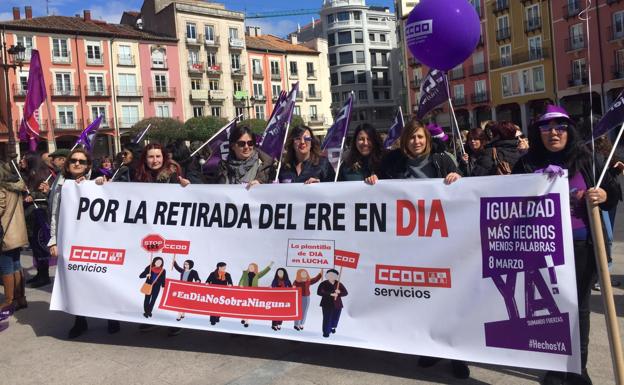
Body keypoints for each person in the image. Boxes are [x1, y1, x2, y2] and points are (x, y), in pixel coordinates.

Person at [513, 105, 619, 385]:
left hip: (582, 246)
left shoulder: (589, 159)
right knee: (549, 311)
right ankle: (554, 367)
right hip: (541, 249)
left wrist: (603, 193)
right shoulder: (525, 164)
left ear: (569, 130)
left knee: (578, 307)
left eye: (559, 127)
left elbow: (614, 194)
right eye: (546, 128)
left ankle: (577, 368)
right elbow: (508, 199)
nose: (553, 133)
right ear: (539, 133)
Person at [47, 149, 121, 338]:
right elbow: (55, 213)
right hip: (71, 239)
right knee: (76, 281)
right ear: (68, 163)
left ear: (88, 164)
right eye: (74, 160)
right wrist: (53, 239)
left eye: (82, 161)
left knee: (104, 279)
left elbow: (112, 198)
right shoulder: (60, 184)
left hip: (97, 240)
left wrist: (99, 185)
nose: (77, 164)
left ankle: (111, 317)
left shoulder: (97, 179)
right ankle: (80, 320)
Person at [377, 120, 461, 184]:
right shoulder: (392, 162)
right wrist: (375, 180)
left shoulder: (442, 159)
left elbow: (463, 186)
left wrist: (458, 178)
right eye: (412, 137)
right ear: (405, 140)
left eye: (420, 137)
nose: (416, 141)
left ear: (427, 139)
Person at [0, 162, 29, 317]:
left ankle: (9, 300)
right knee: (16, 264)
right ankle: (20, 298)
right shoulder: (15, 186)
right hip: (16, 232)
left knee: (6, 267)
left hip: (4, 234)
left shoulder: (1, 188)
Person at [21, 153, 52, 288]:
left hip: (39, 213)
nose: (21, 160)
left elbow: (44, 192)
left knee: (40, 246)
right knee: (34, 246)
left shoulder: (42, 174)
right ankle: (40, 273)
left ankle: (44, 276)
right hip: (30, 214)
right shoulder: (28, 174)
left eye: (24, 158)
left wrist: (32, 195)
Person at [238, 261, 273, 327]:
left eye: (252, 267)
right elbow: (241, 280)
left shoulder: (257, 275)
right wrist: (240, 285)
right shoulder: (245, 273)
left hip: (253, 293)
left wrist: (270, 266)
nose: (251, 268)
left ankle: (246, 321)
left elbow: (263, 272)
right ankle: (243, 318)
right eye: (250, 266)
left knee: (249, 307)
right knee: (244, 305)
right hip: (245, 292)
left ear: (255, 268)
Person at [317, 269, 347, 338]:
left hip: (338, 304)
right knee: (327, 318)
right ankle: (326, 332)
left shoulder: (339, 284)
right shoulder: (323, 283)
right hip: (326, 304)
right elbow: (319, 292)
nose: (331, 276)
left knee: (335, 317)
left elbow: (345, 293)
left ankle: (333, 327)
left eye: (333, 275)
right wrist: (330, 294)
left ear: (336, 276)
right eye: (329, 274)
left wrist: (339, 293)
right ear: (327, 275)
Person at [172, 257, 201, 321]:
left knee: (184, 302)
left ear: (190, 265)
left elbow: (197, 278)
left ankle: (182, 314)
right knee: (180, 302)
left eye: (187, 264)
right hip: (181, 288)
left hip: (188, 288)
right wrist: (174, 262)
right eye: (185, 264)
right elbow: (177, 268)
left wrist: (197, 281)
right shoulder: (183, 270)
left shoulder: (194, 272)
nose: (185, 265)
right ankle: (180, 314)